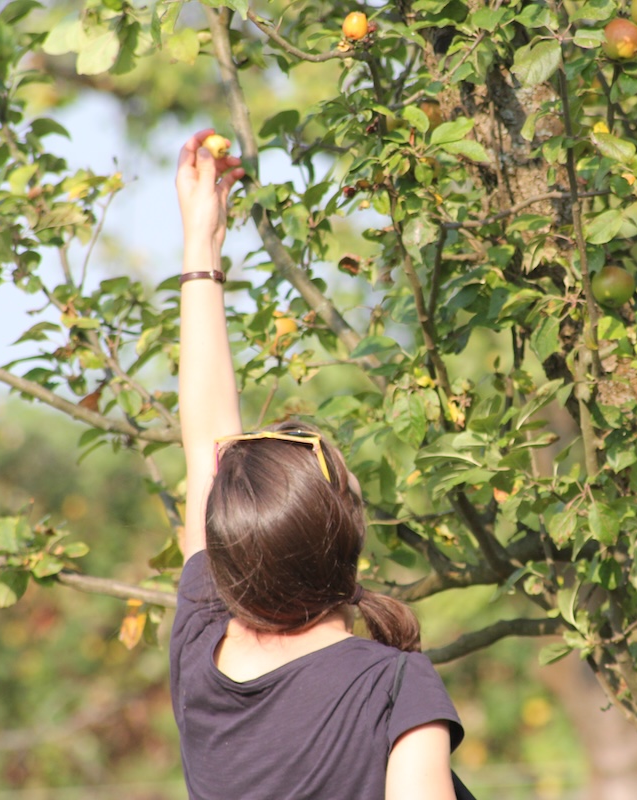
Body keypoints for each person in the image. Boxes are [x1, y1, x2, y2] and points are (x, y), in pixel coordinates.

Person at [171, 129, 463, 800]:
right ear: (345, 540)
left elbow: (203, 444)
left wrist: (200, 245)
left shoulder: (202, 656)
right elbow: (208, 448)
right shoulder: (393, 688)